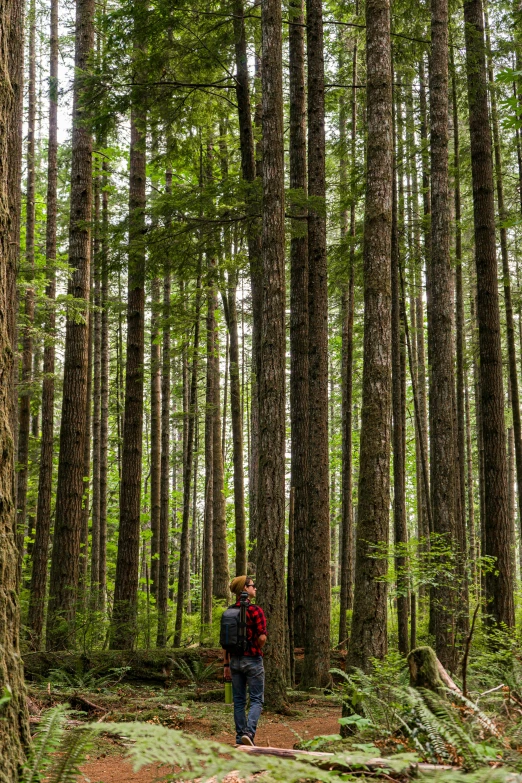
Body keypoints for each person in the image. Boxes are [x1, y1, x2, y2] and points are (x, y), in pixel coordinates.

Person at [223, 575, 267, 746]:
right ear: (244, 589)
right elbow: (262, 637)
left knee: (239, 700)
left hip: (234, 661)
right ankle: (249, 732)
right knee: (256, 699)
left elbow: (225, 643)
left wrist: (226, 665)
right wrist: (256, 646)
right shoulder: (256, 610)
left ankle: (239, 736)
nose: (255, 588)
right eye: (252, 585)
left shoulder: (230, 611)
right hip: (253, 660)